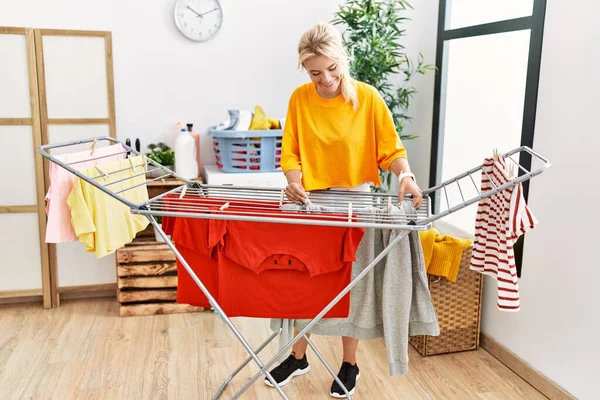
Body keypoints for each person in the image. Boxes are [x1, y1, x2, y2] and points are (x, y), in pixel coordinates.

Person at [265, 22, 423, 397]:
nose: (327, 78)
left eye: (333, 68)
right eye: (316, 72)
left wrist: (406, 175)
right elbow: (291, 152)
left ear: (343, 60)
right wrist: (293, 180)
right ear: (305, 69)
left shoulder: (367, 98)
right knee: (304, 280)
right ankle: (298, 356)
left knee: (351, 285)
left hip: (356, 200)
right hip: (311, 202)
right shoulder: (300, 99)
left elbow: (392, 150)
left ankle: (349, 364)